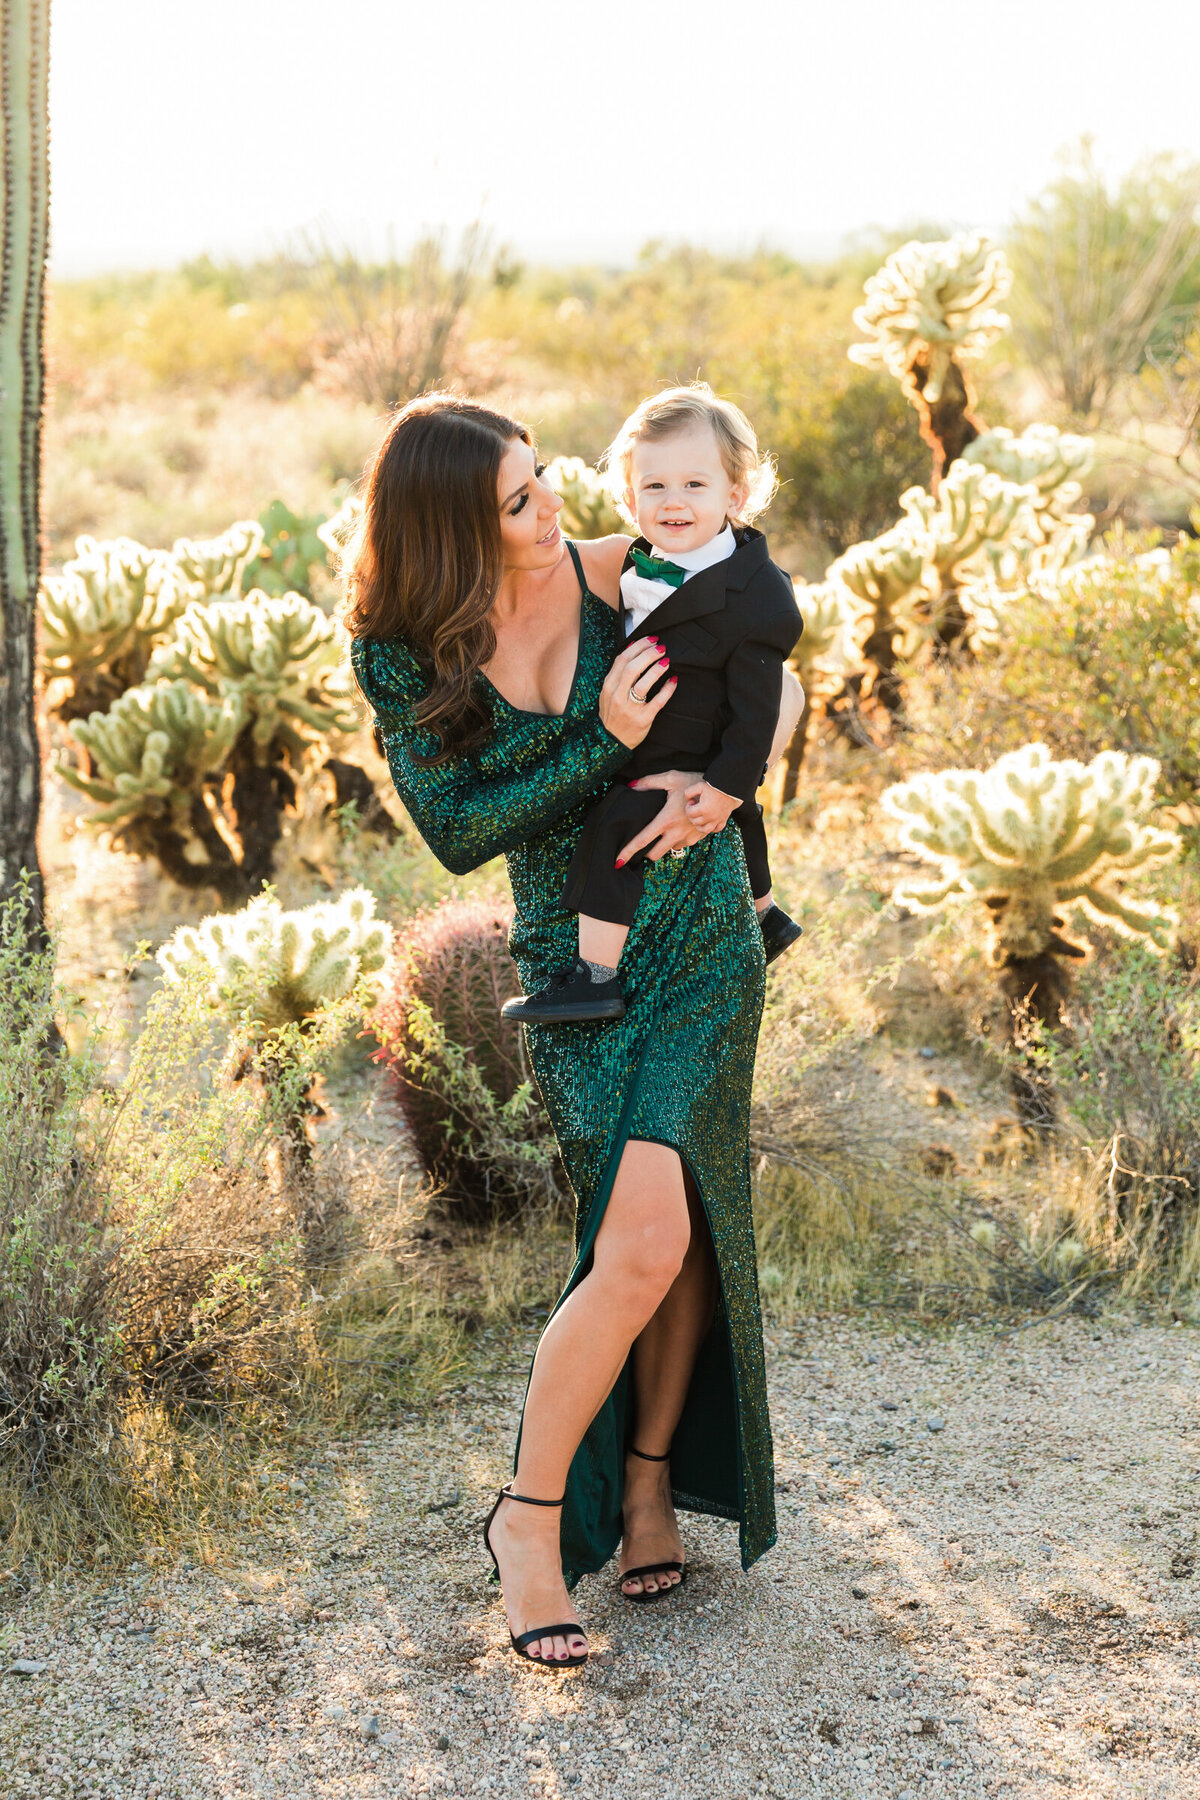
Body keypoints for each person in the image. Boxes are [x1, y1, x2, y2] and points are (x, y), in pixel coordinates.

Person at [347, 394, 799, 1671]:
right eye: (515, 503)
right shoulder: (400, 650)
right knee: (642, 1236)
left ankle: (644, 1479)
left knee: (683, 1221)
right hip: (575, 969)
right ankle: (530, 1520)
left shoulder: (624, 572)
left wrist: (724, 788)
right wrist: (595, 744)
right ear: (447, 529)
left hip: (701, 940)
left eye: (543, 482)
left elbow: (785, 670)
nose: (552, 515)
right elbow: (454, 829)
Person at [501, 384, 803, 1025]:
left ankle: (594, 977)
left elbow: (759, 710)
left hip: (692, 745)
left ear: (735, 497)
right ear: (628, 497)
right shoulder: (636, 561)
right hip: (662, 736)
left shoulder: (756, 595)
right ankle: (766, 918)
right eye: (655, 487)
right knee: (738, 822)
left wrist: (723, 786)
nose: (674, 502)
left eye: (696, 485)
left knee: (615, 836)